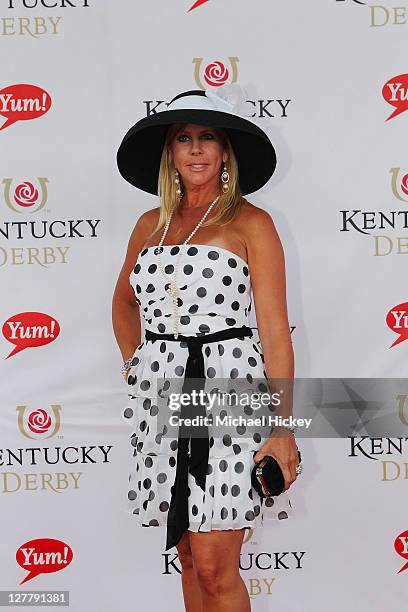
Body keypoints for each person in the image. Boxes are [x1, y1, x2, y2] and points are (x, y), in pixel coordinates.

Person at [113, 86, 301, 612]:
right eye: (184, 139)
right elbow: (123, 303)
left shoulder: (250, 222)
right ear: (171, 154)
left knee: (218, 566)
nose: (196, 149)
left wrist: (282, 430)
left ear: (224, 153)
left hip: (227, 395)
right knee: (191, 560)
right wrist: (137, 364)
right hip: (163, 400)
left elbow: (275, 332)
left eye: (208, 138)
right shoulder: (149, 226)